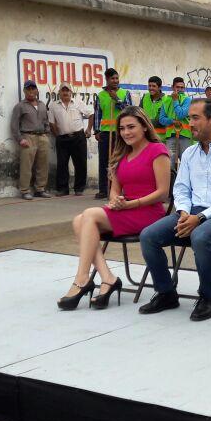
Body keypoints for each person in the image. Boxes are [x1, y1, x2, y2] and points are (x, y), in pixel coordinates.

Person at [139, 99, 211, 321]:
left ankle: (207, 298)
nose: (190, 123)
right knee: (148, 236)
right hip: (190, 214)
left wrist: (199, 218)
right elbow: (181, 189)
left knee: (200, 237)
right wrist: (183, 213)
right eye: (189, 118)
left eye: (195, 118)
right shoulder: (189, 153)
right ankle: (166, 293)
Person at [58, 107, 170, 311]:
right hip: (126, 209)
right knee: (78, 221)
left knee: (89, 215)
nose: (126, 132)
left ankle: (82, 279)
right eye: (122, 128)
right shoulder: (121, 154)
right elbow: (115, 190)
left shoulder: (157, 151)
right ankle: (108, 278)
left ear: (144, 127)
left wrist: (131, 204)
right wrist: (115, 201)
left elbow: (163, 193)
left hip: (149, 213)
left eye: (131, 127)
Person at [10, 80, 52, 201]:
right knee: (26, 165)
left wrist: (47, 132)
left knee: (43, 164)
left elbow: (46, 121)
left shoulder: (42, 104)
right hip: (28, 137)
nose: (31, 91)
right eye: (28, 89)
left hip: (42, 137)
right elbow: (14, 125)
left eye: (33, 89)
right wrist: (20, 139)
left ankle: (40, 189)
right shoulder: (20, 106)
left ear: (37, 91)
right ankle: (24, 190)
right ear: (24, 91)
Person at [48, 84, 93, 195]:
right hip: (62, 138)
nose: (65, 93)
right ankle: (63, 189)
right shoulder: (54, 106)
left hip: (78, 137)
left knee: (80, 163)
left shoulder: (78, 103)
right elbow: (51, 123)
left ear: (71, 92)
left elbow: (91, 113)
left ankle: (79, 189)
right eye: (63, 91)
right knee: (62, 164)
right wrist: (57, 135)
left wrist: (88, 129)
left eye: (67, 90)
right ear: (59, 93)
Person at [94, 68, 131, 199]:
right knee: (104, 161)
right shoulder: (101, 95)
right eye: (112, 79)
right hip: (105, 132)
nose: (115, 81)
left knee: (120, 161)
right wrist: (96, 130)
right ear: (107, 80)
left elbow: (129, 110)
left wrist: (117, 100)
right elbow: (98, 113)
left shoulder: (124, 93)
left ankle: (121, 190)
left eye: (116, 78)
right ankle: (104, 189)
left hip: (121, 132)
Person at [160, 77, 192, 170]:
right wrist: (172, 121)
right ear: (172, 87)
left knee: (186, 164)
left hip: (184, 136)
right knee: (170, 165)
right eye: (178, 87)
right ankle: (171, 184)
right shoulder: (165, 101)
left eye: (182, 88)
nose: (180, 90)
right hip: (171, 136)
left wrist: (175, 100)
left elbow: (181, 114)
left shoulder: (187, 100)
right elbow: (162, 119)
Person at [140, 77, 169, 143]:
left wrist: (144, 122)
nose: (151, 88)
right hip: (146, 137)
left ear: (160, 87)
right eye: (149, 86)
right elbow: (139, 115)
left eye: (154, 86)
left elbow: (160, 122)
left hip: (161, 139)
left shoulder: (166, 100)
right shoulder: (145, 97)